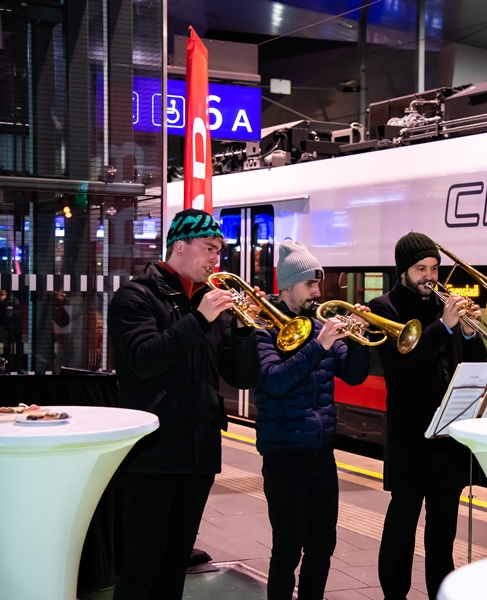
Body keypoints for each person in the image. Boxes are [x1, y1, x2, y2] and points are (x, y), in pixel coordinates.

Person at [108, 208, 259, 600]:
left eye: (218, 251)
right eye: (209, 248)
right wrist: (200, 320)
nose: (215, 259)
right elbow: (144, 359)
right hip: (153, 451)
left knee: (177, 559)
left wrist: (244, 332)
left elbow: (240, 378)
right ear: (179, 246)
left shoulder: (209, 303)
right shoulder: (135, 297)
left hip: (199, 450)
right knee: (144, 559)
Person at [368, 232, 487, 600]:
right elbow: (400, 361)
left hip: (447, 441)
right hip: (410, 438)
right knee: (400, 531)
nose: (430, 276)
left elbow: (474, 365)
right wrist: (445, 326)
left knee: (442, 537)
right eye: (421, 269)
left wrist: (468, 333)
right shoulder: (383, 308)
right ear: (403, 271)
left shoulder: (443, 306)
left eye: (434, 268)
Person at [252, 240, 370, 600]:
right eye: (309, 284)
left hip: (322, 454)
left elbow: (354, 376)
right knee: (287, 548)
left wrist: (359, 338)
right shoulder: (264, 328)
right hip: (284, 455)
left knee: (322, 546)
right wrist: (319, 346)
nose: (317, 292)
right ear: (288, 286)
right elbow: (273, 382)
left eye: (318, 283)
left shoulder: (321, 326)